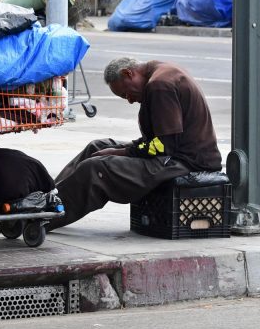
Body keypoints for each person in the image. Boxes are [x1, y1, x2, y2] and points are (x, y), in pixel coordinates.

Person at [46, 57, 223, 230]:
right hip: (172, 153)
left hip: (186, 161)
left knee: (96, 168)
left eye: (126, 93)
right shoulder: (157, 73)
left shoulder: (159, 85)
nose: (130, 100)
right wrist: (119, 150)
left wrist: (122, 152)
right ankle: (46, 196)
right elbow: (158, 141)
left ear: (128, 73)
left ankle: (44, 217)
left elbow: (163, 146)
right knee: (97, 146)